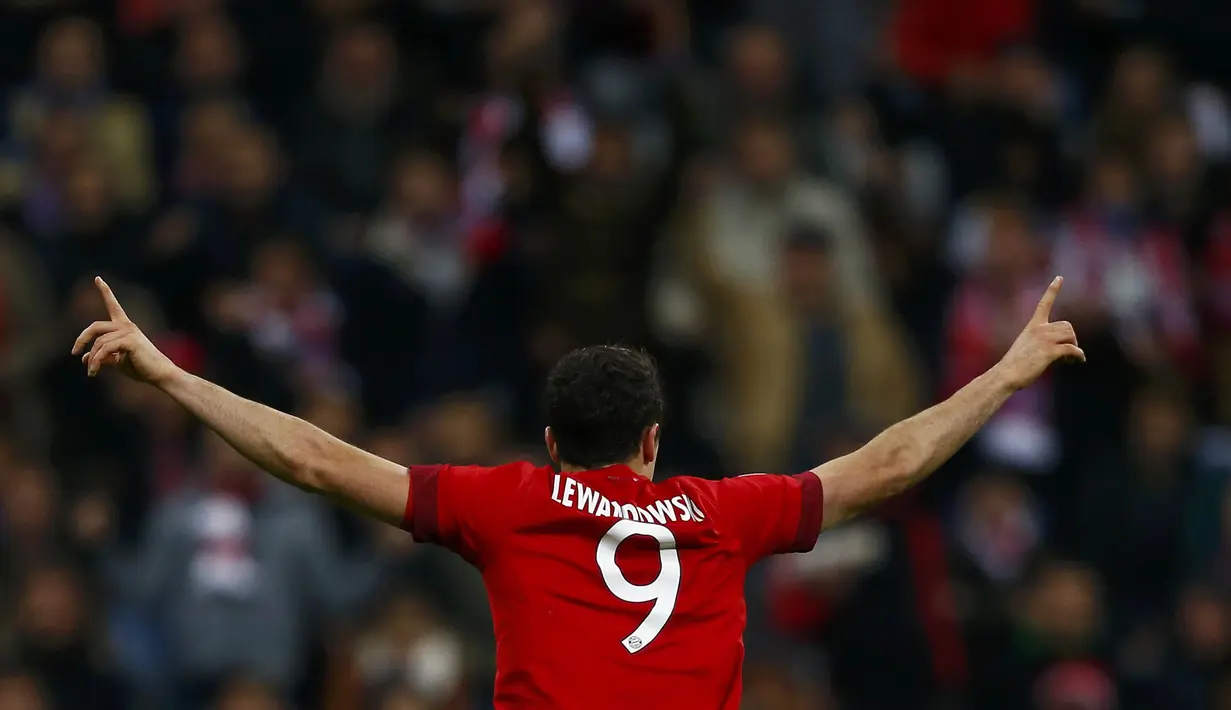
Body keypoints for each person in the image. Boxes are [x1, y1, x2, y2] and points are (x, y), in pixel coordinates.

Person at [70, 275, 1084, 710]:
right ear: (653, 438)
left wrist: (171, 375)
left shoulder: (509, 499)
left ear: (554, 443)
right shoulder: (724, 513)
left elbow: (317, 460)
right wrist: (1003, 373)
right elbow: (889, 465)